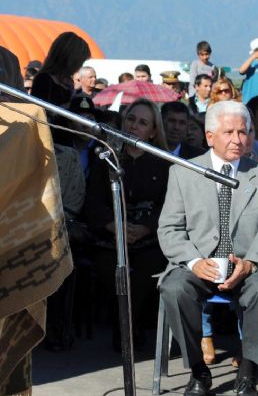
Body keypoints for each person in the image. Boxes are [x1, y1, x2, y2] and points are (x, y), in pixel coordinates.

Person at [157, 100, 258, 396]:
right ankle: (199, 371)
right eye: (229, 132)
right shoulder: (184, 172)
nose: (238, 140)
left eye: (243, 132)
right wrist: (193, 262)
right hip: (199, 263)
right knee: (174, 289)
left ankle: (248, 371)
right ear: (209, 135)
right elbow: (169, 228)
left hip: (248, 264)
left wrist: (250, 263)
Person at [83, 98, 170, 349]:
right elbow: (93, 202)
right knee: (110, 268)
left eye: (143, 123)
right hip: (111, 234)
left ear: (153, 131)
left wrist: (145, 228)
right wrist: (114, 226)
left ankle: (130, 327)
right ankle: (126, 327)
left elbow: (170, 205)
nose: (134, 126)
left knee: (146, 270)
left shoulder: (163, 164)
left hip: (148, 236)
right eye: (131, 119)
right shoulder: (106, 158)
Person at [31, 31, 90, 107]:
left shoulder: (68, 81)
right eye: (79, 61)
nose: (80, 66)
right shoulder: (44, 79)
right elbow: (39, 110)